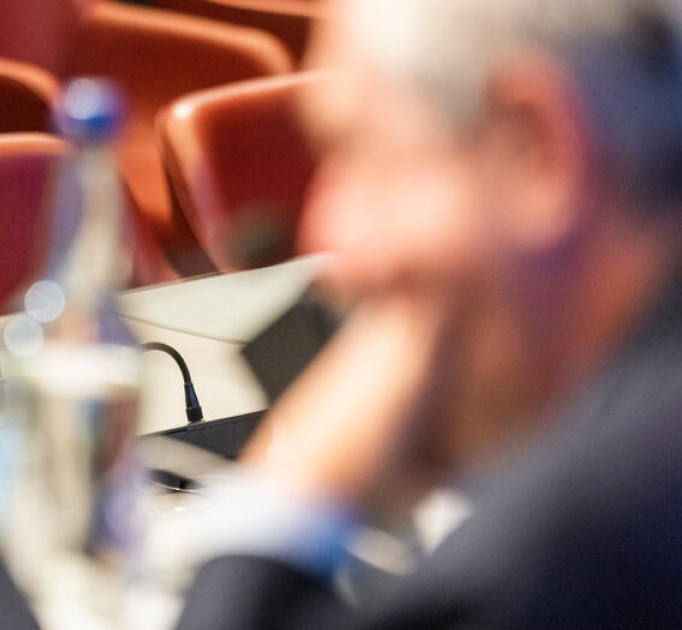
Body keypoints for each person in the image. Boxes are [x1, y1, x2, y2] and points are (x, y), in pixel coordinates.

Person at [175, 0, 682, 627]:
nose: (328, 239)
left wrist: (290, 495)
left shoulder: (563, 553)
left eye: (366, 156)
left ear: (537, 149)